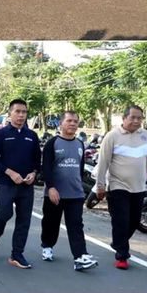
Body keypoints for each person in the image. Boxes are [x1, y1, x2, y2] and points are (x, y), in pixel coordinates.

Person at [0, 99, 41, 269]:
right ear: (10, 113)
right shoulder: (2, 134)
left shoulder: (32, 136)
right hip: (6, 184)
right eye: (18, 111)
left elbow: (37, 161)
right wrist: (9, 172)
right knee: (3, 214)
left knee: (24, 220)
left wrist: (33, 173)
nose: (21, 115)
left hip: (26, 186)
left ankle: (17, 254)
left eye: (24, 112)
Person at [96, 105, 147, 270]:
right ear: (124, 118)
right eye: (132, 117)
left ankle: (118, 241)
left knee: (134, 221)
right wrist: (100, 186)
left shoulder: (146, 136)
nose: (136, 121)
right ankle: (122, 256)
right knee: (121, 220)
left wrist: (145, 180)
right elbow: (103, 162)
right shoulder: (112, 136)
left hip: (138, 187)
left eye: (139, 118)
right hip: (117, 185)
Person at [41, 111, 98, 271]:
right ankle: (47, 245)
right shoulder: (52, 143)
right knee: (51, 223)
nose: (73, 124)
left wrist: (80, 187)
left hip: (75, 194)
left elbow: (79, 169)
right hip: (55, 194)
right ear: (61, 124)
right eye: (69, 121)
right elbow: (45, 168)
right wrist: (51, 187)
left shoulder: (80, 144)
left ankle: (80, 256)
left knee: (76, 225)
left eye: (75, 121)